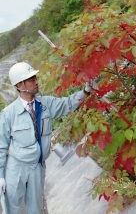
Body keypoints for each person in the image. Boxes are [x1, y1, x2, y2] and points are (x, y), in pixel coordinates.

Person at [0, 62, 96, 214]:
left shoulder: (46, 104)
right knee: (11, 208)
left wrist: (85, 91)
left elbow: (68, 104)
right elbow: (1, 146)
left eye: (35, 78)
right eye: (31, 79)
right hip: (17, 167)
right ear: (20, 84)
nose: (36, 82)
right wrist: (1, 176)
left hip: (38, 166)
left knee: (35, 209)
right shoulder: (8, 114)